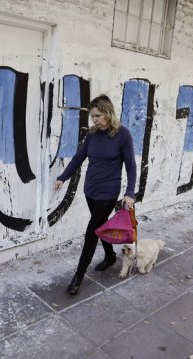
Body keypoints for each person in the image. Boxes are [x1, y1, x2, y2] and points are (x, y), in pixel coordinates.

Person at [55, 94, 136, 295]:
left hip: (108, 192)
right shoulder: (92, 135)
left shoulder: (122, 135)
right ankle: (109, 256)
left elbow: (131, 166)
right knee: (101, 226)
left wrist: (130, 192)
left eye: (98, 115)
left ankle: (78, 277)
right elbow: (78, 158)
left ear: (108, 113)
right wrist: (63, 177)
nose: (95, 120)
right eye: (93, 117)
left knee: (91, 233)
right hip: (90, 189)